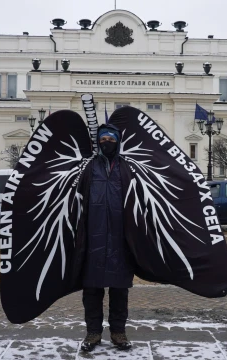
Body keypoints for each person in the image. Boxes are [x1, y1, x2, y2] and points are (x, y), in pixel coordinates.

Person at [80, 124, 134, 352]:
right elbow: (77, 199)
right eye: (103, 139)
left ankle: (118, 333)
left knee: (119, 290)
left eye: (111, 138)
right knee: (92, 289)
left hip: (121, 239)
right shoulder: (89, 167)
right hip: (93, 237)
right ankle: (93, 333)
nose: (107, 142)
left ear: (118, 141)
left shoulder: (127, 168)